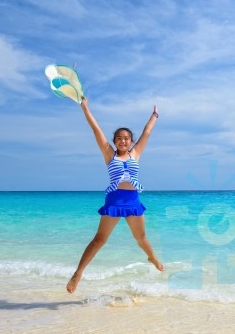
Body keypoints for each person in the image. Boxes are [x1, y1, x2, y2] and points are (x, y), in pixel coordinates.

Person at [66, 97, 163, 294]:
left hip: (133, 200)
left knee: (141, 237)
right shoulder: (109, 154)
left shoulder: (135, 153)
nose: (123, 141)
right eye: (119, 138)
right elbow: (97, 131)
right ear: (114, 141)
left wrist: (154, 116)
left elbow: (147, 132)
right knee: (99, 239)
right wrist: (85, 109)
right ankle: (78, 273)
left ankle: (152, 257)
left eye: (126, 138)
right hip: (115, 200)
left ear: (131, 141)